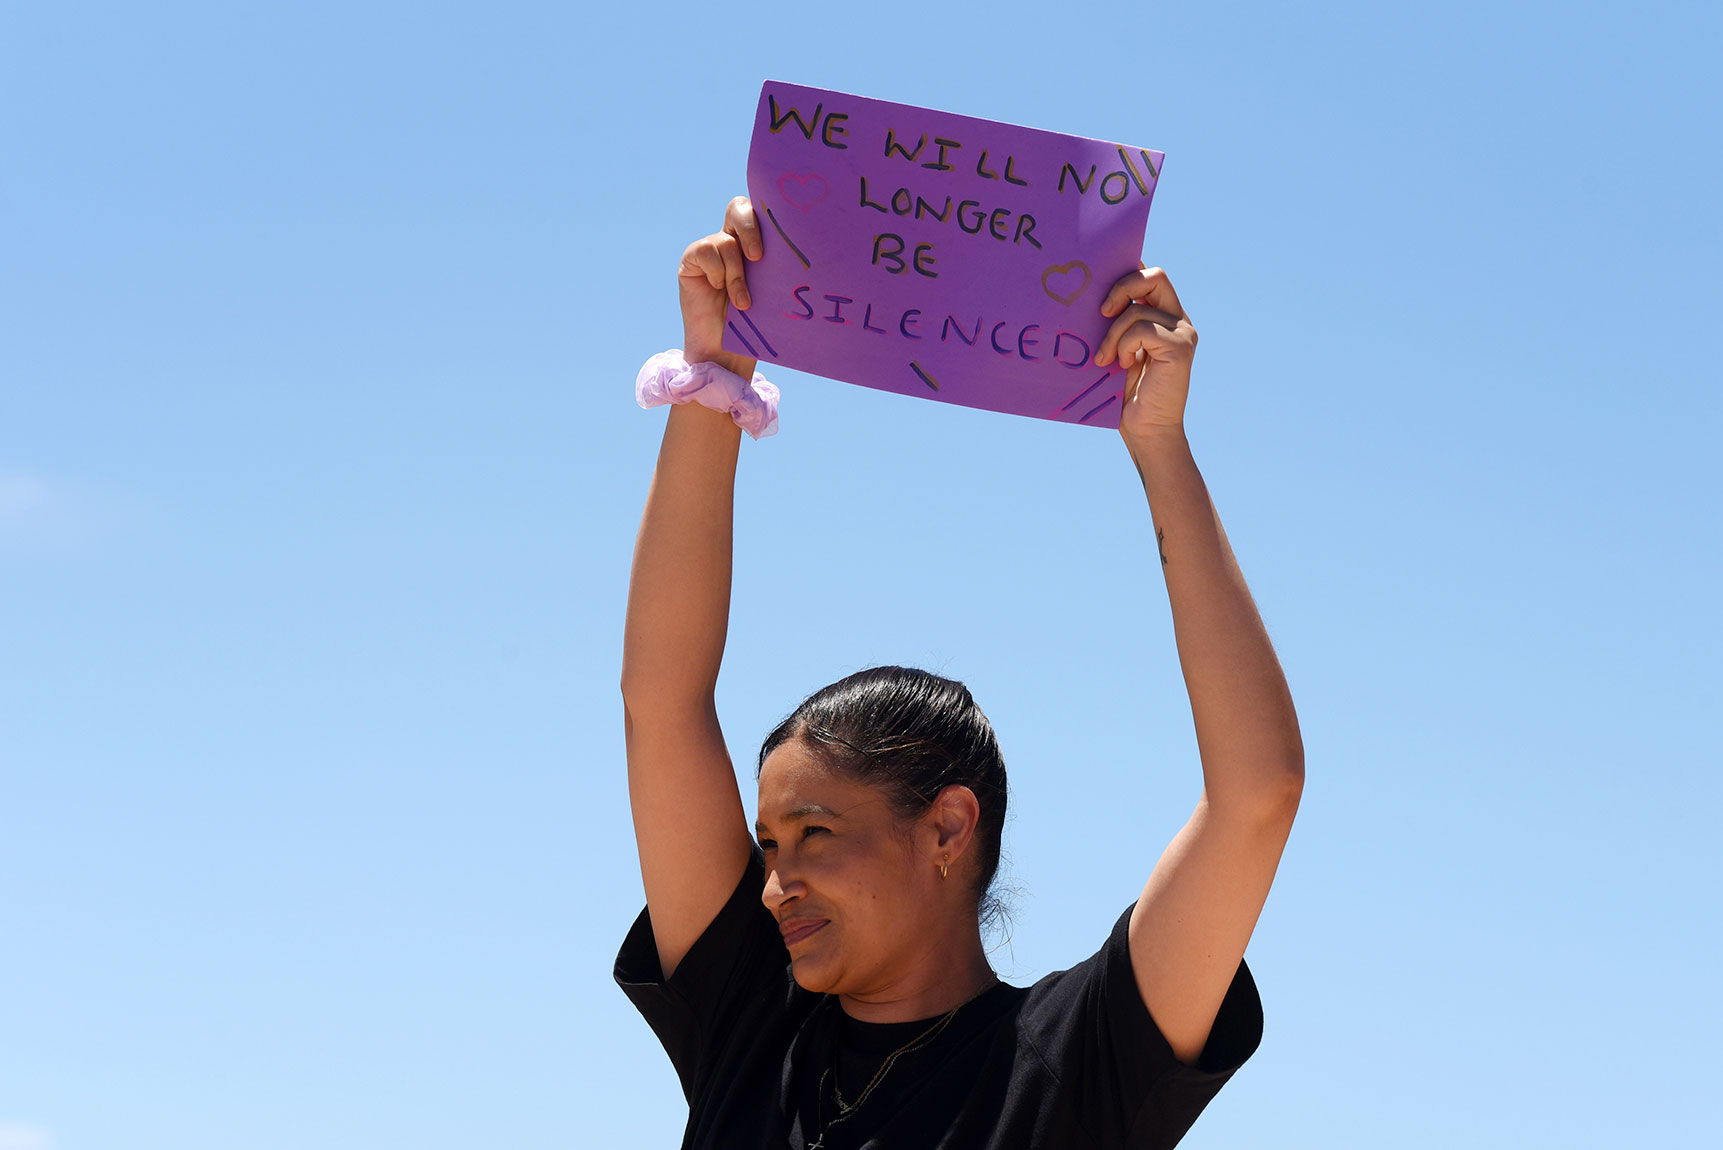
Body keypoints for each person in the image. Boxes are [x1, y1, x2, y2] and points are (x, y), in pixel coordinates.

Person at [617, 196, 1304, 1150]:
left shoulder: (1080, 1058)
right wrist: (716, 378)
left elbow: (1257, 793)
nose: (776, 883)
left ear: (946, 825)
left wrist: (1158, 445)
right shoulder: (747, 1022)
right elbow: (662, 703)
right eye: (768, 845)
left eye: (813, 833)